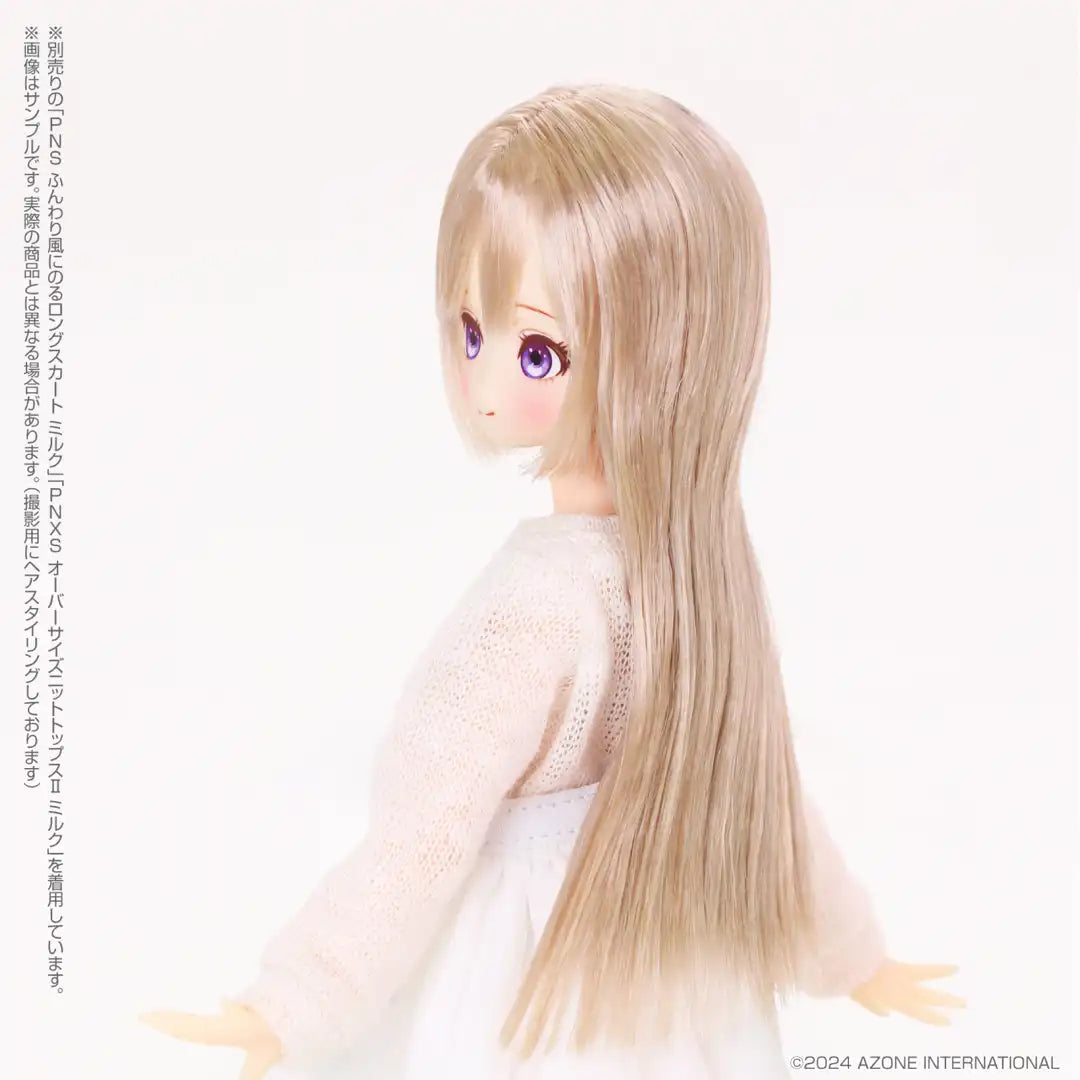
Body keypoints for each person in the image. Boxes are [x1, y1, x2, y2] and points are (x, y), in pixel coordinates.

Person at [139, 83, 963, 1079]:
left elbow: (423, 836)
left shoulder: (534, 606)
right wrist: (855, 959)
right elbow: (768, 809)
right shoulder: (706, 596)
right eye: (470, 331)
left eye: (537, 352)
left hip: (530, 981)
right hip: (676, 984)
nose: (484, 383)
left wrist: (294, 1003)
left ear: (663, 357)